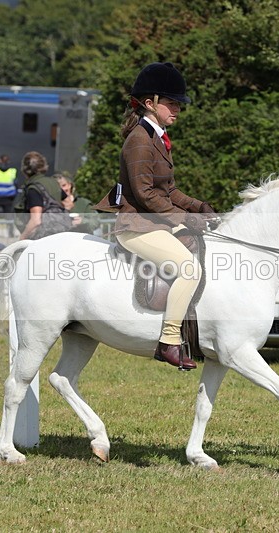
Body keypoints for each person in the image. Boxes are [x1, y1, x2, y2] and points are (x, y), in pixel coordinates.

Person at [94, 62, 218, 370]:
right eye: (172, 103)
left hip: (153, 224)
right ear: (150, 103)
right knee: (189, 269)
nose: (177, 109)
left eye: (178, 104)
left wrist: (198, 206)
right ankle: (169, 341)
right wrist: (182, 218)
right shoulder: (139, 139)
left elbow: (169, 190)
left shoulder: (157, 137)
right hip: (135, 227)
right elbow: (146, 194)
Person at [14, 151, 69, 240]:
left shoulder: (33, 188)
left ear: (24, 169)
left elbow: (36, 220)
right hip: (62, 231)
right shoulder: (54, 182)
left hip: (44, 236)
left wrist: (22, 238)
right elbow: (69, 203)